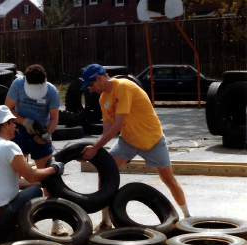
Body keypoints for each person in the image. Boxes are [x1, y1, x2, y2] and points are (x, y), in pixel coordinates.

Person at [80, 64, 191, 232]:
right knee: (106, 171)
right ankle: (105, 222)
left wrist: (94, 148)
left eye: (91, 84)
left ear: (98, 78)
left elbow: (117, 125)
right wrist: (94, 151)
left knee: (168, 179)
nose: (90, 89)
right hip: (129, 141)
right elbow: (106, 130)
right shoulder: (103, 98)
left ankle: (188, 217)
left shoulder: (124, 86)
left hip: (151, 139)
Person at [0, 105, 64, 245]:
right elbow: (32, 176)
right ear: (4, 124)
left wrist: (43, 181)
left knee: (31, 189)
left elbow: (11, 182)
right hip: (0, 216)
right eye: (13, 122)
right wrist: (54, 169)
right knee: (35, 192)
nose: (15, 126)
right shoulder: (9, 147)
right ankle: (23, 231)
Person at [4, 64, 68, 236]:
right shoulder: (17, 85)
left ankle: (56, 221)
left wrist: (47, 133)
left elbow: (54, 118)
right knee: (12, 175)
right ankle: (10, 218)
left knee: (49, 176)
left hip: (41, 131)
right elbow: (7, 109)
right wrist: (24, 121)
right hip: (18, 130)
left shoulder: (52, 91)